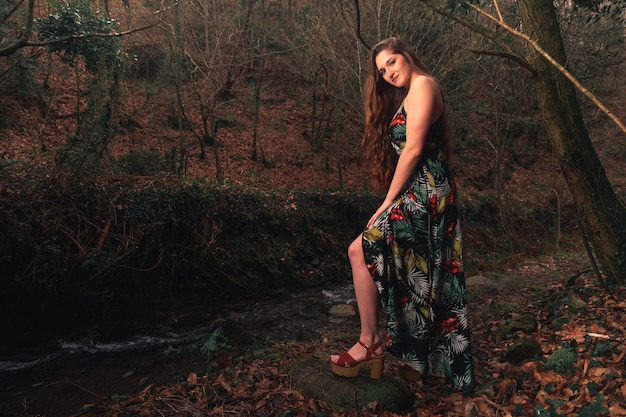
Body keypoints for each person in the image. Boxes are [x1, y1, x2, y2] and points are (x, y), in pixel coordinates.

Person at [330, 37, 474, 392]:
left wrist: (385, 204)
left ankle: (370, 343)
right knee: (418, 270)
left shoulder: (424, 84)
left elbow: (412, 149)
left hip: (427, 188)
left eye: (392, 62)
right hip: (420, 188)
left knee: (361, 249)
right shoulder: (409, 93)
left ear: (408, 56)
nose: (388, 73)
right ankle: (404, 355)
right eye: (382, 70)